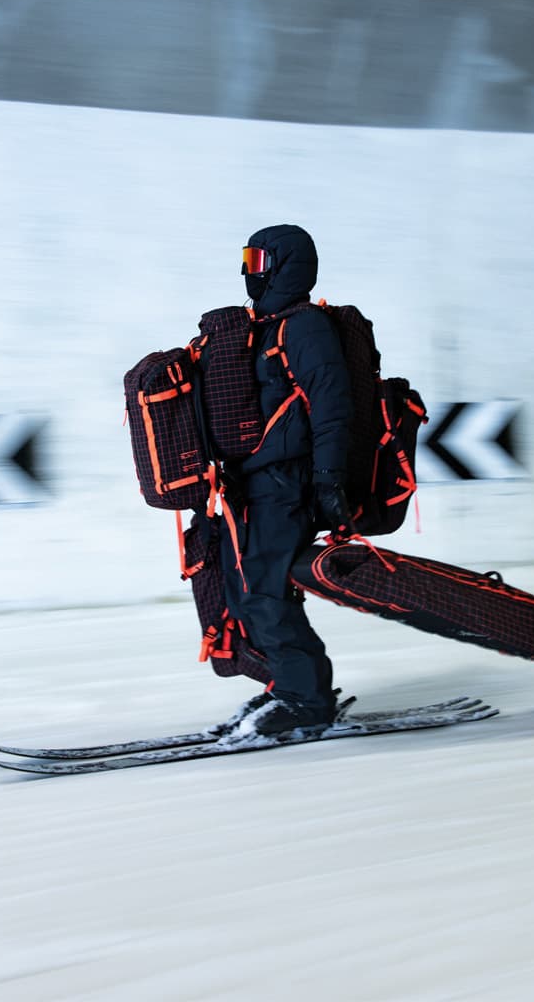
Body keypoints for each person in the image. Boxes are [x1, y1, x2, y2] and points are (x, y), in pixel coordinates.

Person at [217, 223, 354, 738]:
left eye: (259, 261)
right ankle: (288, 684)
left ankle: (308, 700)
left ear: (284, 265)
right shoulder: (265, 327)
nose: (249, 272)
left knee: (266, 592)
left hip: (289, 483)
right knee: (243, 587)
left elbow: (331, 403)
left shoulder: (304, 327)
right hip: (255, 483)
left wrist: (327, 477)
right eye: (246, 260)